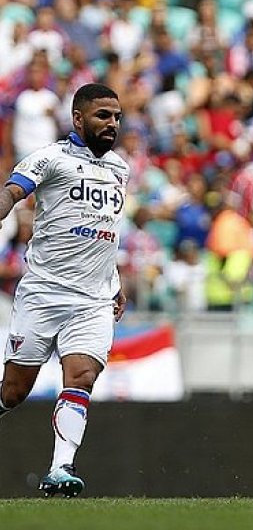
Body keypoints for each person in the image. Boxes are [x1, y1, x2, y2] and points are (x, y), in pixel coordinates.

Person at [0, 83, 129, 497]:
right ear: (78, 118)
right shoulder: (50, 157)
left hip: (94, 299)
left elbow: (106, 227)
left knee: (82, 375)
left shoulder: (120, 169)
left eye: (116, 117)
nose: (112, 124)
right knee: (14, 391)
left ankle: (60, 469)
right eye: (103, 116)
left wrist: (116, 280)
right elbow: (14, 191)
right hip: (43, 292)